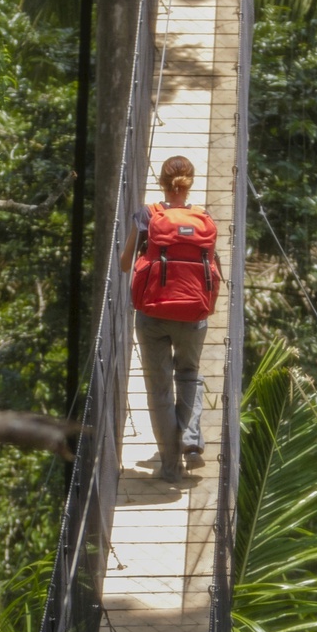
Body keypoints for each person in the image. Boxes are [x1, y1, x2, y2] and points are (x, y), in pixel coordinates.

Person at [120, 155, 217, 483]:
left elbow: (124, 263)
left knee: (159, 389)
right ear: (190, 183)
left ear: (161, 182)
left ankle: (171, 467)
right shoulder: (203, 218)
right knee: (188, 373)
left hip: (152, 313)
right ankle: (190, 438)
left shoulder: (148, 214)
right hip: (192, 313)